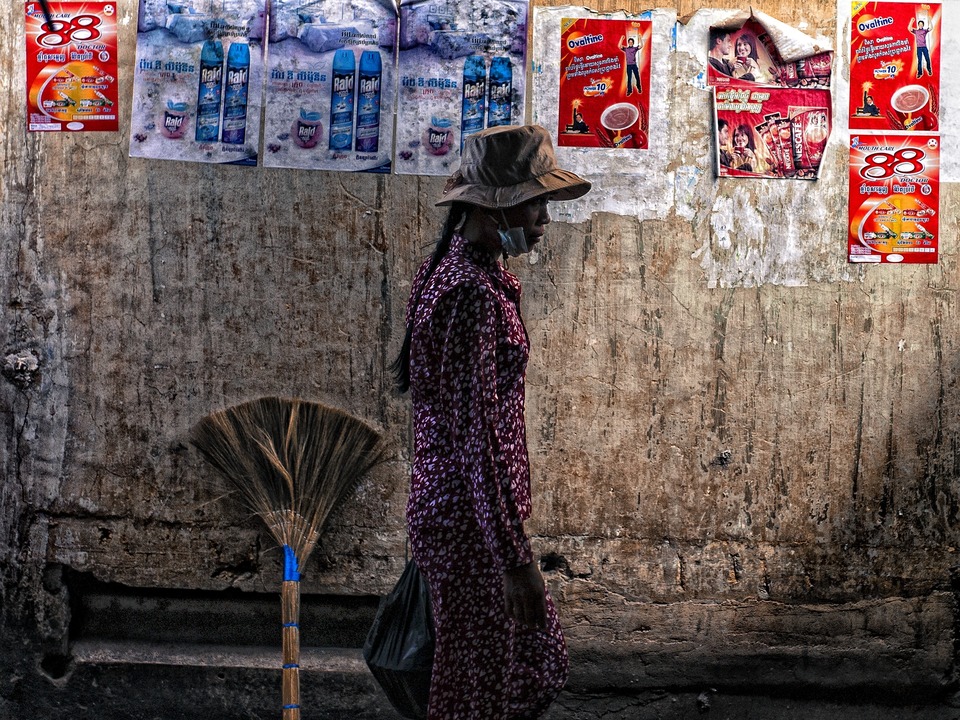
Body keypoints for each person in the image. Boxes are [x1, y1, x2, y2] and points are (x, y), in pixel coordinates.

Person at [392, 125, 591, 720]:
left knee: (518, 669)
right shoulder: (470, 294)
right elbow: (477, 442)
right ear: (497, 204)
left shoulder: (453, 272)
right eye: (537, 204)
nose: (543, 222)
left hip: (459, 513)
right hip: (470, 525)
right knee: (478, 691)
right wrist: (514, 558)